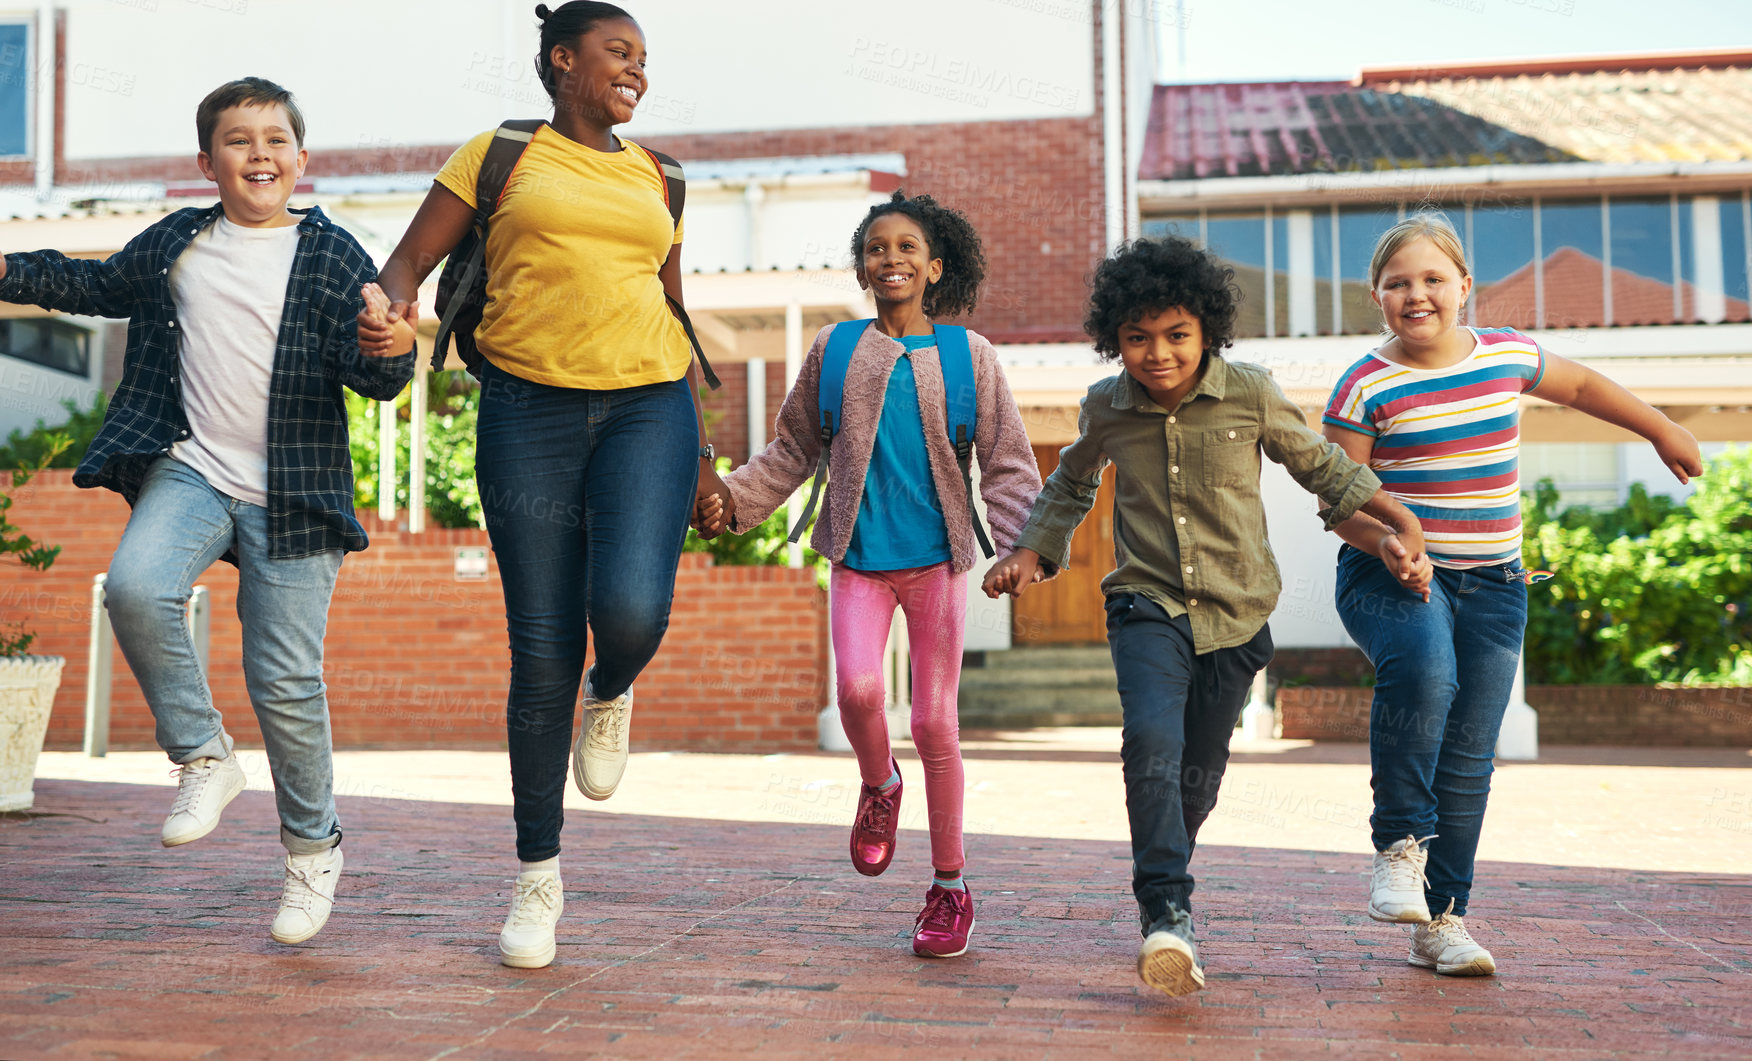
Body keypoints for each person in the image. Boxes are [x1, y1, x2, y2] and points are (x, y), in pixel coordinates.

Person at [0, 77, 416, 944]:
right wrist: (8, 269)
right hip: (190, 468)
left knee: (287, 684)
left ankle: (312, 853)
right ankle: (203, 754)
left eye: (275, 139)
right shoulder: (180, 241)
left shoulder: (335, 255)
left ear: (302, 159)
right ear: (207, 161)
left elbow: (372, 374)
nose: (258, 153)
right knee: (136, 587)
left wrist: (393, 347)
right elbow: (95, 282)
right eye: (238, 140)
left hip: (294, 490)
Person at [358, 0, 728, 970]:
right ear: (564, 60)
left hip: (650, 407)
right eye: (618, 52)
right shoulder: (499, 154)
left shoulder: (662, 177)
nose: (637, 70)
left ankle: (615, 686)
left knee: (633, 608)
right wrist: (383, 311)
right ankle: (537, 875)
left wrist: (704, 452)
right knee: (540, 647)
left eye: (645, 57)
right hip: (527, 412)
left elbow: (674, 311)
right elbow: (408, 261)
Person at [981, 236, 1426, 996]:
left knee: (1196, 775)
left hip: (1239, 613)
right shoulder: (1106, 406)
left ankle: (1167, 865)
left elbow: (1320, 463)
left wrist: (1394, 522)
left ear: (1207, 331)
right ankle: (1166, 912)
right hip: (1145, 602)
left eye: (1176, 334)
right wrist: (1033, 553)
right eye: (1137, 337)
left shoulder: (1250, 391)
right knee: (1151, 740)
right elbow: (1068, 485)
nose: (1158, 353)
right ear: (1114, 339)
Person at [1322, 213, 1702, 977]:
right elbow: (1338, 502)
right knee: (1426, 672)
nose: (1417, 294)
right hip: (1390, 575)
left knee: (1469, 756)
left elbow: (1587, 385)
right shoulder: (1366, 384)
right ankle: (1398, 848)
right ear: (1376, 295)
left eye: (1433, 279)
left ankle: (1442, 920)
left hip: (1495, 587)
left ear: (1466, 286)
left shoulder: (1506, 356)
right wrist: (1391, 542)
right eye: (1398, 283)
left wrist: (1661, 429)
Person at [693, 190, 1041, 959]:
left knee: (935, 721)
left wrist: (1023, 546)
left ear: (934, 266)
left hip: (939, 561)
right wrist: (732, 501)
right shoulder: (836, 350)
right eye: (877, 247)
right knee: (856, 691)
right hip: (858, 555)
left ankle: (950, 887)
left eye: (908, 247)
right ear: (862, 266)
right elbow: (790, 449)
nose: (892, 258)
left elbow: (1009, 460)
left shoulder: (969, 355)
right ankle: (880, 783)